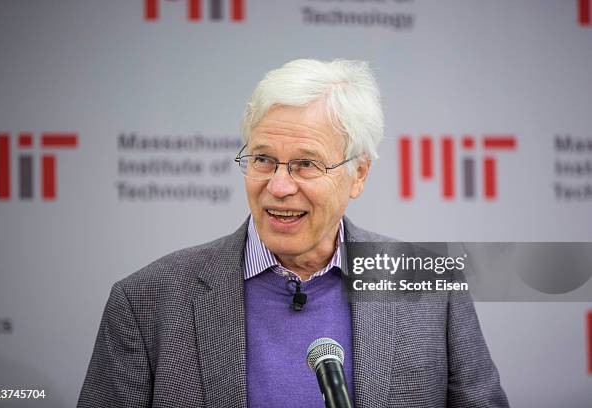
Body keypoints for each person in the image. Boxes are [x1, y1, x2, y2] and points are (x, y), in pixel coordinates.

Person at [78, 59, 509, 407]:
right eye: (263, 159)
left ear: (358, 174)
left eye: (307, 164)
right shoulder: (147, 301)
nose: (279, 186)